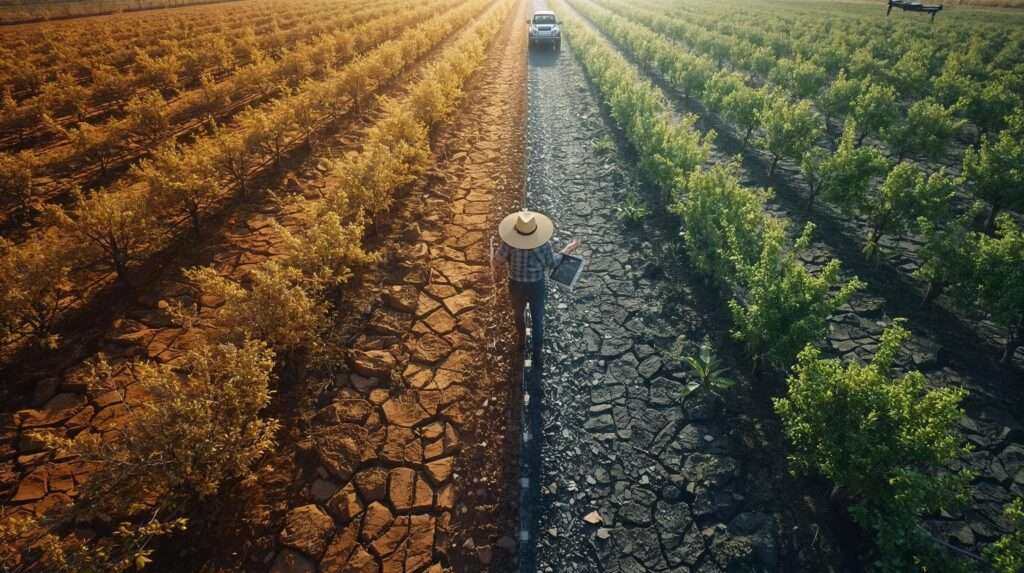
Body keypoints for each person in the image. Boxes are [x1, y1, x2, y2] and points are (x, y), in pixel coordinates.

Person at [495, 210, 579, 368]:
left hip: (516, 285)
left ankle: (521, 341)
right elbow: (553, 263)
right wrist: (568, 249)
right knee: (538, 320)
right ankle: (537, 354)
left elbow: (497, 260)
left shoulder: (509, 243)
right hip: (536, 287)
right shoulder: (543, 245)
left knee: (518, 314)